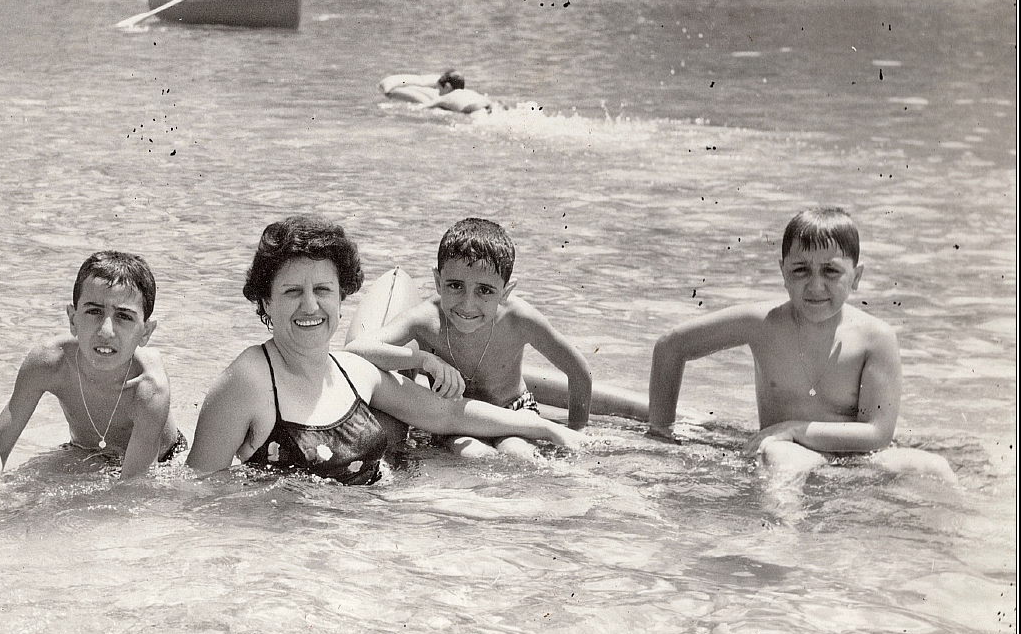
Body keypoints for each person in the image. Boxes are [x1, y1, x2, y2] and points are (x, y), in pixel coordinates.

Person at [186, 215, 590, 484]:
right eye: (293, 291)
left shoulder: (354, 371)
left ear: (342, 297)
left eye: (323, 290)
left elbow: (449, 414)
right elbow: (197, 493)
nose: (310, 306)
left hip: (372, 549)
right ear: (266, 302)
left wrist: (546, 428)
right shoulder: (249, 380)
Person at [647, 207, 955, 481]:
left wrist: (794, 428)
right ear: (783, 272)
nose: (816, 284)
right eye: (800, 270)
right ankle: (783, 542)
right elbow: (670, 346)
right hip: (791, 453)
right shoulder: (762, 323)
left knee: (936, 468)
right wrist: (661, 435)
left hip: (859, 460)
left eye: (831, 271)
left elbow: (878, 433)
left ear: (856, 276)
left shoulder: (876, 337)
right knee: (781, 457)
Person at [346, 218, 648, 459]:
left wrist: (578, 428)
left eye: (485, 290)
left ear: (505, 291)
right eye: (455, 285)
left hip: (514, 411)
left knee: (518, 454)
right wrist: (424, 359)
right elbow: (357, 350)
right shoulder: (427, 319)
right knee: (474, 455)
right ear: (438, 281)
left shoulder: (519, 319)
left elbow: (578, 370)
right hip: (457, 417)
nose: (467, 303)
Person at [0, 251, 185, 512]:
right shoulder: (49, 363)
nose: (105, 331)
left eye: (124, 316)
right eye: (93, 311)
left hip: (159, 464)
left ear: (145, 332)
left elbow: (131, 489)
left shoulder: (148, 389)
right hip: (83, 451)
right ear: (72, 319)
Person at [378, 70, 494, 114]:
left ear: (448, 87)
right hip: (489, 104)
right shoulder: (470, 93)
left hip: (472, 110)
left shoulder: (445, 98)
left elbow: (422, 109)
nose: (438, 92)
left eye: (439, 89)